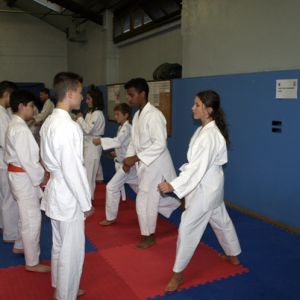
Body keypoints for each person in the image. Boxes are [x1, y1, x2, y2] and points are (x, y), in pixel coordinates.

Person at [158, 90, 242, 292]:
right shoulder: (203, 131)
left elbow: (197, 168)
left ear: (208, 110)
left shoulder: (210, 136)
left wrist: (174, 185)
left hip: (205, 189)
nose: (192, 108)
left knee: (187, 228)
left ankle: (177, 274)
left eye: (197, 105)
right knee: (221, 220)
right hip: (210, 186)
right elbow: (195, 165)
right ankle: (233, 256)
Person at [40, 72, 95, 300]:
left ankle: (60, 286)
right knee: (71, 253)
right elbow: (73, 171)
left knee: (59, 245)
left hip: (55, 191)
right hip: (68, 195)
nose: (82, 98)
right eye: (80, 93)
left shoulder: (49, 122)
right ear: (70, 93)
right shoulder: (69, 127)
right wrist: (86, 203)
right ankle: (65, 294)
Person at [123, 78, 181, 249]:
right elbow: (134, 141)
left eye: (132, 95)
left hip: (156, 164)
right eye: (128, 95)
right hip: (144, 164)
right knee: (146, 200)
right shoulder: (137, 115)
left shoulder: (154, 115)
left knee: (146, 201)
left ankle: (149, 236)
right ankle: (176, 204)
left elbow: (160, 145)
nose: (129, 99)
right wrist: (128, 160)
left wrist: (135, 158)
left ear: (143, 94)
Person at [4, 89, 50, 272]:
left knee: (25, 216)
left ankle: (19, 245)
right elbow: (28, 162)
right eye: (32, 106)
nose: (34, 110)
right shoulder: (21, 129)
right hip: (24, 178)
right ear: (21, 106)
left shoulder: (16, 125)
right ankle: (32, 262)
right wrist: (42, 176)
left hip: (19, 177)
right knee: (32, 219)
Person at [93, 103, 139, 225]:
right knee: (139, 189)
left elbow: (118, 141)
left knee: (111, 187)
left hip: (126, 165)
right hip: (124, 164)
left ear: (126, 115)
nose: (116, 116)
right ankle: (164, 204)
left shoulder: (127, 127)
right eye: (115, 114)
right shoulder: (122, 127)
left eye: (118, 114)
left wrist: (100, 141)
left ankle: (111, 217)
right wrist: (117, 153)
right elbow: (125, 144)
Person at [76, 85, 105, 200]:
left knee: (89, 176)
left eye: (89, 99)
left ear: (95, 99)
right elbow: (83, 128)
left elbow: (87, 129)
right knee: (85, 174)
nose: (86, 101)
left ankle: (88, 199)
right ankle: (86, 197)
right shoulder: (90, 112)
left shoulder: (98, 114)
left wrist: (80, 118)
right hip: (87, 145)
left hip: (93, 146)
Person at [0, 80, 18, 242]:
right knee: (9, 198)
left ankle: (4, 226)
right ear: (7, 95)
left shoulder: (5, 113)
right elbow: (5, 141)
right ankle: (10, 234)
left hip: (3, 160)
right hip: (4, 161)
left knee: (3, 196)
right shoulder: (1, 115)